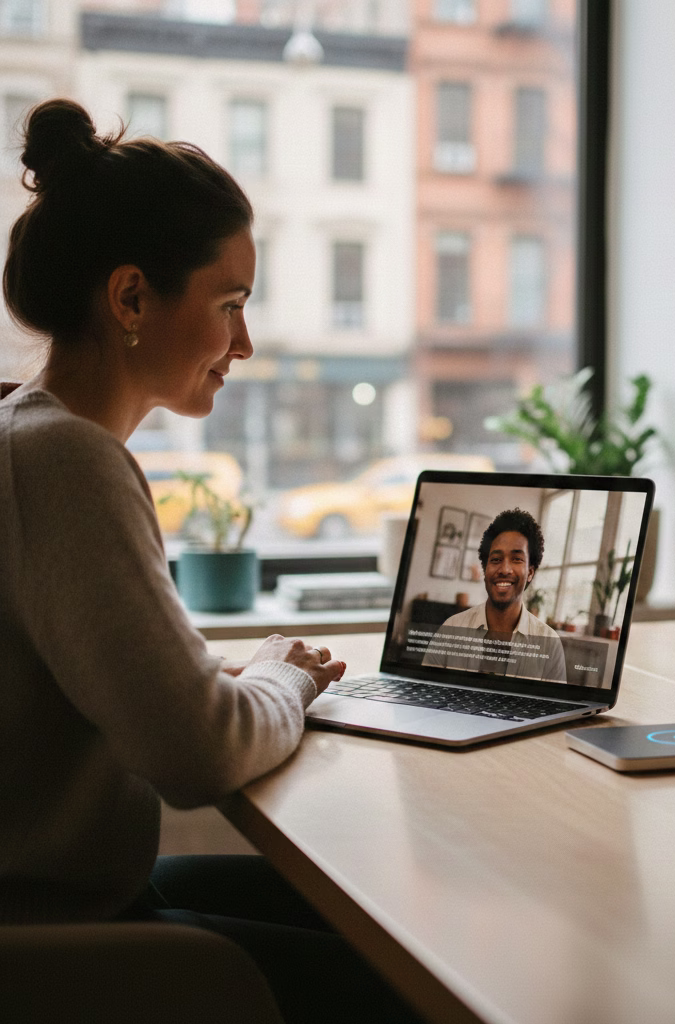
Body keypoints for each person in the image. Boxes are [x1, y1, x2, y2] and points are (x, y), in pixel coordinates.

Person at [0, 99, 422, 1024]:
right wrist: (281, 679)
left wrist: (226, 677)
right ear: (131, 299)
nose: (245, 344)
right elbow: (196, 752)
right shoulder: (65, 460)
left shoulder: (26, 434)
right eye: (229, 305)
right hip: (58, 937)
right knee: (408, 980)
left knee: (377, 917)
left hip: (64, 903)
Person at [422, 508, 566, 683]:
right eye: (496, 560)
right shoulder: (451, 628)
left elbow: (555, 708)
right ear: (485, 570)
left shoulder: (549, 644)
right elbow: (427, 690)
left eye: (516, 559)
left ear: (530, 572)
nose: (504, 569)